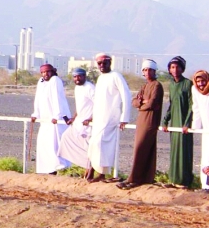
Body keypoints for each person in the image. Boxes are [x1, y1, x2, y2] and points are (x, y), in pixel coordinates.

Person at [119, 59, 164, 190]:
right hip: (142, 120)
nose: (147, 72)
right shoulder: (144, 86)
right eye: (145, 70)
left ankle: (134, 179)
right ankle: (142, 178)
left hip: (150, 121)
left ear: (154, 71)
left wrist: (142, 105)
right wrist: (143, 103)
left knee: (141, 148)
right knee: (141, 149)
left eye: (149, 70)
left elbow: (152, 104)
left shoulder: (157, 85)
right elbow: (134, 102)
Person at [87, 53, 132, 182]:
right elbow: (98, 100)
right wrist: (92, 116)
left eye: (104, 63)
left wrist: (124, 118)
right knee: (93, 143)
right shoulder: (100, 78)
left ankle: (101, 173)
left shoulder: (116, 76)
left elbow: (126, 95)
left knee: (100, 143)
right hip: (99, 117)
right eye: (99, 63)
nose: (102, 65)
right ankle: (92, 169)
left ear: (109, 63)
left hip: (111, 116)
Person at [29, 63, 71, 174]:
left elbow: (57, 99)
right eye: (43, 72)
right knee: (44, 144)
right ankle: (47, 170)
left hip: (56, 119)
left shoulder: (55, 80)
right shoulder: (41, 82)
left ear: (52, 72)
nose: (45, 74)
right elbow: (38, 99)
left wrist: (56, 115)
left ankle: (59, 168)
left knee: (55, 144)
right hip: (45, 119)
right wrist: (35, 114)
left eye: (47, 72)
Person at [160, 55, 193, 188]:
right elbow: (172, 104)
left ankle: (184, 181)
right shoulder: (172, 85)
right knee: (174, 151)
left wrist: (187, 123)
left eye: (177, 67)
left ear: (182, 69)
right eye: (172, 67)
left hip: (184, 124)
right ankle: (173, 180)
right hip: (174, 122)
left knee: (184, 151)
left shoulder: (188, 84)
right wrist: (165, 121)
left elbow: (191, 105)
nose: (175, 69)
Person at [57, 67, 95, 175]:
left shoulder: (90, 88)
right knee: (66, 137)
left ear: (84, 76)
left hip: (88, 124)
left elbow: (99, 105)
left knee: (89, 148)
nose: (77, 79)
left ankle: (91, 169)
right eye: (74, 77)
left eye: (79, 76)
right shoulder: (77, 88)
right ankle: (87, 167)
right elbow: (80, 107)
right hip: (79, 122)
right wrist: (73, 118)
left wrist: (91, 118)